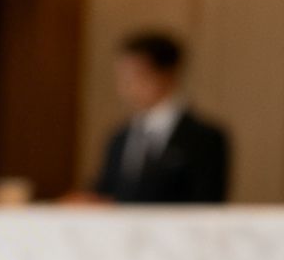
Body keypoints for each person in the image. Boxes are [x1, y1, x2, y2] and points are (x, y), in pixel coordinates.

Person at [90, 31, 231, 204]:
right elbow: (106, 192)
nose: (126, 85)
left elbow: (206, 202)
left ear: (166, 74)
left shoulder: (204, 138)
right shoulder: (119, 137)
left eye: (136, 75)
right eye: (122, 76)